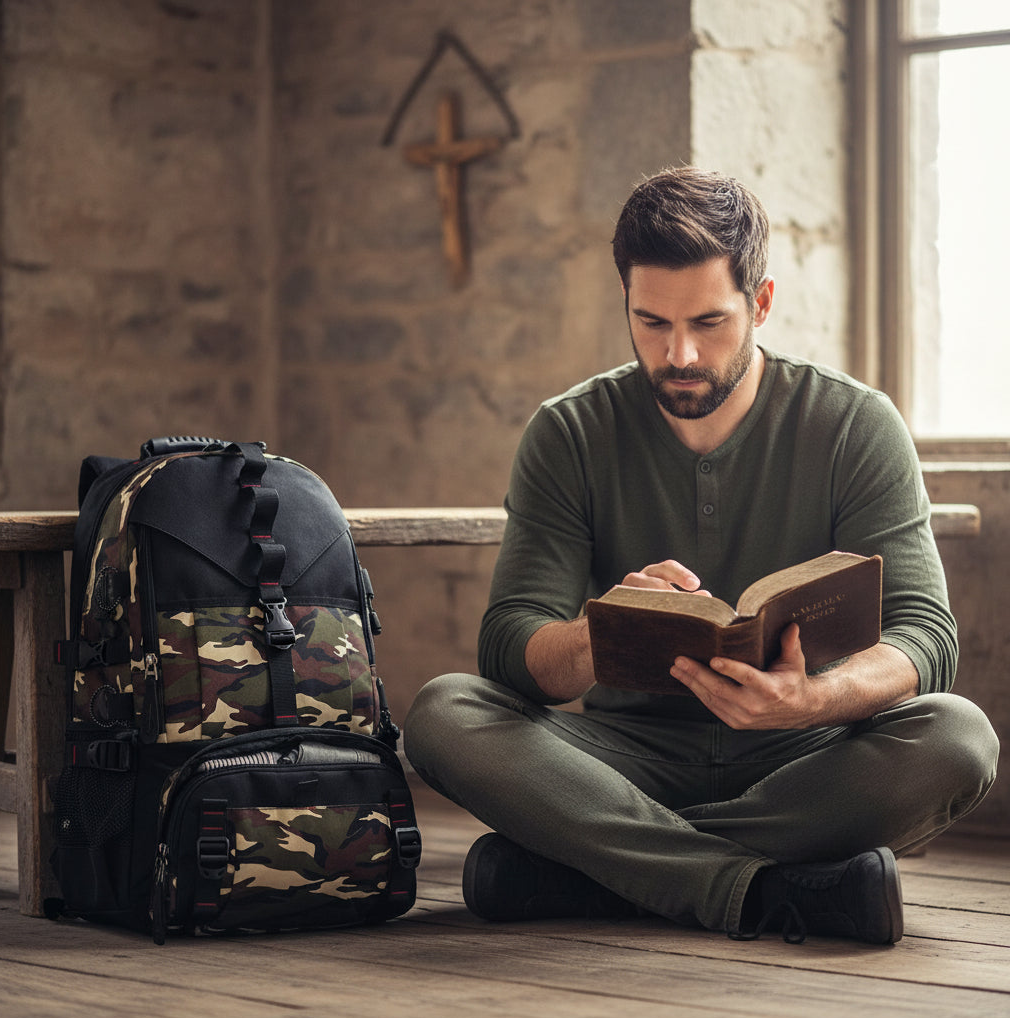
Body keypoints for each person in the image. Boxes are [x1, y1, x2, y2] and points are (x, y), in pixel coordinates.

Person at [403, 166, 999, 944]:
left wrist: (812, 700)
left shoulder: (855, 424)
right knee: (445, 712)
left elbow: (927, 637)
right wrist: (599, 629)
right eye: (650, 323)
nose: (679, 353)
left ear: (761, 303)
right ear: (625, 302)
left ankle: (594, 866)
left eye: (709, 323)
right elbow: (510, 651)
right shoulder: (569, 432)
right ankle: (766, 891)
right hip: (622, 758)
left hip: (803, 760)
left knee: (958, 736)